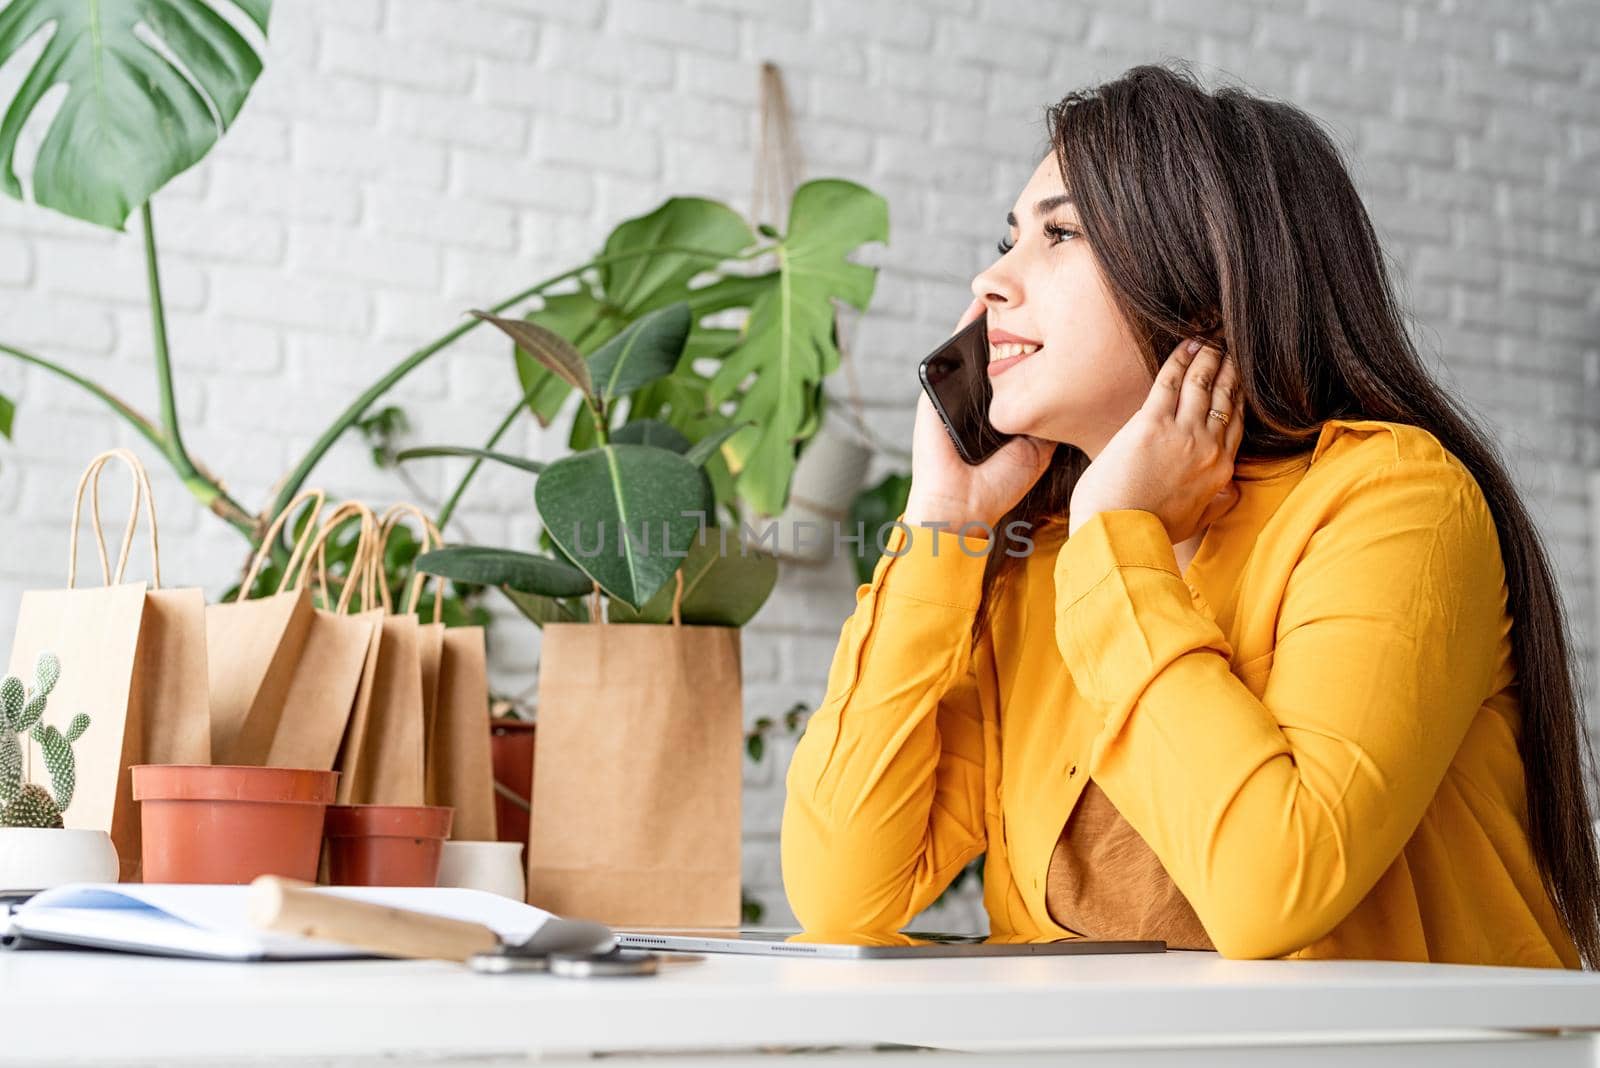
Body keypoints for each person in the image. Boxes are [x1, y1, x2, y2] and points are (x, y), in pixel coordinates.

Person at [780, 62, 1597, 968]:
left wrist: (1116, 542)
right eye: (1009, 237)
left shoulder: (1394, 502)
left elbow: (1272, 890)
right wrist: (944, 522)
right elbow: (840, 895)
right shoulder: (1053, 563)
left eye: (1060, 235)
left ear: (1205, 281)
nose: (991, 279)